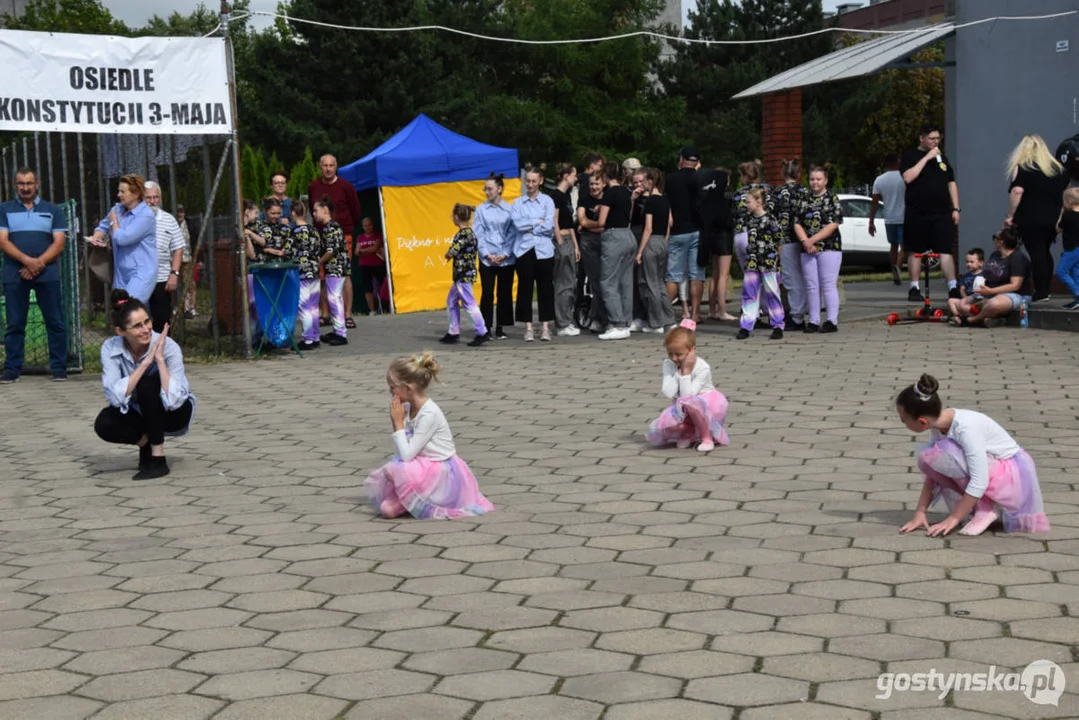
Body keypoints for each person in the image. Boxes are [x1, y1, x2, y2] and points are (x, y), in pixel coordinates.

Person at [897, 373, 1049, 536]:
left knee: (946, 452)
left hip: (1012, 478)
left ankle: (986, 509)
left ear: (922, 422)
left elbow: (980, 480)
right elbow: (932, 473)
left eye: (903, 420)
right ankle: (980, 506)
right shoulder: (938, 426)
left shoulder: (966, 429)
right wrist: (920, 513)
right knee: (930, 458)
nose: (903, 422)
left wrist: (954, 518)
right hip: (990, 471)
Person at [364, 351, 495, 519]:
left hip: (439, 471)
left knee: (392, 479)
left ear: (408, 388)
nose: (390, 392)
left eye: (392, 388)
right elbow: (406, 450)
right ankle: (410, 499)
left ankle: (424, 499)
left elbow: (406, 455)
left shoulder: (429, 413)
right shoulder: (410, 406)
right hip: (420, 465)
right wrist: (400, 422)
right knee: (388, 497)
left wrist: (397, 423)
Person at [94, 289, 195, 481]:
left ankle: (158, 458)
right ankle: (145, 443)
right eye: (137, 326)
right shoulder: (110, 348)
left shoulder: (169, 346)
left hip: (172, 413)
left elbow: (175, 400)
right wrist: (146, 363)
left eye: (147, 321)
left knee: (148, 384)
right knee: (104, 423)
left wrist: (159, 360)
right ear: (120, 331)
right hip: (138, 412)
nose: (146, 329)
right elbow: (115, 398)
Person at [0, 167, 68, 383]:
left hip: (47, 274)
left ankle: (59, 368)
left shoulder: (53, 210)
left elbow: (59, 243)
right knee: (15, 323)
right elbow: (2, 241)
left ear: (37, 184)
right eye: (21, 183)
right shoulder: (4, 209)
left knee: (55, 321)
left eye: (29, 183)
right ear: (14, 185)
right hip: (14, 273)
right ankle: (12, 369)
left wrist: (37, 264)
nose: (25, 188)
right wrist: (28, 262)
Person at [645, 321, 729, 452]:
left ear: (691, 350)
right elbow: (668, 392)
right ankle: (688, 430)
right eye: (670, 353)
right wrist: (678, 373)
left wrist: (686, 372)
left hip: (705, 403)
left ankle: (706, 437)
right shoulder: (669, 364)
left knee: (691, 405)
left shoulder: (703, 367)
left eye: (678, 354)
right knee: (666, 425)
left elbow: (688, 396)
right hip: (682, 405)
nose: (674, 358)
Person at [1004, 134, 1069, 302]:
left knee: (1036, 252)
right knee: (1045, 252)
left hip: (1029, 218)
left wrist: (1010, 216)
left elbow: (1017, 191)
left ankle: (1041, 291)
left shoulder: (1023, 167)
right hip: (1052, 218)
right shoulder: (1057, 169)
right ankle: (1046, 288)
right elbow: (1065, 194)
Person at [900, 124, 960, 301]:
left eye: (937, 139)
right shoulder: (910, 156)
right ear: (922, 138)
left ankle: (953, 286)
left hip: (941, 212)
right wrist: (926, 158)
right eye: (932, 138)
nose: (935, 142)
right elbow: (908, 177)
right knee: (915, 250)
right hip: (917, 212)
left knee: (945, 249)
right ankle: (914, 287)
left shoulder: (943, 159)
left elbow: (951, 183)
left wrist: (956, 208)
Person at [308, 155, 361, 329]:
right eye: (325, 166)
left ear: (336, 166)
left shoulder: (346, 186)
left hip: (343, 234)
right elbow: (312, 209)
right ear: (320, 167)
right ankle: (326, 313)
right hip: (320, 235)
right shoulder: (313, 186)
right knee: (321, 273)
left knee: (344, 275)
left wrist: (344, 227)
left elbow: (355, 211)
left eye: (331, 165)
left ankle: (347, 315)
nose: (328, 169)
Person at [92, 174, 157, 304]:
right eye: (118, 191)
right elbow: (102, 227)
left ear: (136, 194)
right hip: (120, 272)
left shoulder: (146, 215)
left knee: (129, 308)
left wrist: (114, 222)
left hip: (141, 272)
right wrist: (97, 237)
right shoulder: (117, 209)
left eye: (123, 192)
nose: (119, 195)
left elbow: (123, 238)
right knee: (120, 312)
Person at [589, 162, 635, 340]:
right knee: (625, 282)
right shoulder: (625, 191)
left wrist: (587, 224)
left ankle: (617, 323)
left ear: (606, 176)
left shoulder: (609, 193)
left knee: (607, 282)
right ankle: (625, 322)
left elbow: (601, 222)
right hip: (628, 235)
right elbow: (626, 215)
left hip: (614, 237)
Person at [795, 166, 844, 334]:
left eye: (818, 179)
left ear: (825, 180)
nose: (815, 182)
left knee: (828, 285)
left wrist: (812, 240)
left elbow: (833, 224)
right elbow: (797, 222)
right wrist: (804, 241)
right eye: (812, 179)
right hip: (807, 249)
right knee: (811, 285)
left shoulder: (832, 198)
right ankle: (814, 321)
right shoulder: (804, 199)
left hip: (829, 247)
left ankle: (831, 320)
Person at [951, 227, 1031, 327]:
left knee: (994, 304)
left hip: (1015, 295)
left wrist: (990, 291)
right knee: (961, 304)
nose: (993, 240)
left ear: (1001, 242)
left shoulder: (1017, 258)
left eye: (994, 237)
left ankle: (971, 320)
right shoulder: (995, 255)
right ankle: (990, 319)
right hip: (990, 292)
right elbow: (986, 274)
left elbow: (1015, 285)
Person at [512, 167, 557, 342]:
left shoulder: (547, 201)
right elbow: (518, 225)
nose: (530, 184)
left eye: (533, 181)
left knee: (545, 288)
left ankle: (545, 327)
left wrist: (531, 224)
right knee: (525, 288)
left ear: (540, 181)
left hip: (544, 251)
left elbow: (549, 226)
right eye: (528, 181)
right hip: (524, 250)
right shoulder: (517, 203)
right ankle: (528, 327)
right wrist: (538, 222)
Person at [737, 187, 785, 341]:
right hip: (752, 260)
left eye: (748, 201)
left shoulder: (771, 220)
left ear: (758, 202)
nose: (745, 204)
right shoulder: (749, 219)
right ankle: (746, 325)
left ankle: (777, 324)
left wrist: (775, 257)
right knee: (749, 293)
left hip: (769, 261)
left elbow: (779, 239)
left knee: (772, 292)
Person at [474, 173, 516, 340]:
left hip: (506, 258)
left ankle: (501, 327)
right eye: (485, 189)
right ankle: (487, 328)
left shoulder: (510, 209)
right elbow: (478, 233)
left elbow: (513, 233)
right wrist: (487, 254)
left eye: (490, 189)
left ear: (499, 189)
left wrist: (505, 253)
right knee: (487, 293)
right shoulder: (481, 209)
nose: (487, 192)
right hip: (487, 258)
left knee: (504, 293)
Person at [440, 203, 488, 347]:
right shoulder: (472, 233)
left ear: (456, 217)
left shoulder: (461, 235)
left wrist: (447, 255)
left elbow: (453, 250)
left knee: (469, 303)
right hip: (465, 274)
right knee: (451, 301)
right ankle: (453, 331)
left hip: (462, 275)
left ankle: (482, 331)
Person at [665, 147, 704, 323]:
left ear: (681, 159)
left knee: (673, 274)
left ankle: (665, 315)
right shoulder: (701, 179)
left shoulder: (671, 179)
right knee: (696, 275)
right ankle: (695, 315)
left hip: (677, 231)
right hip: (697, 230)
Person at [770, 159, 810, 330]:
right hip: (806, 240)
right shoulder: (805, 191)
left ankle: (797, 315)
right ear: (799, 174)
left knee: (791, 279)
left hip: (785, 240)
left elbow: (772, 218)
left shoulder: (778, 192)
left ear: (782, 174)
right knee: (806, 277)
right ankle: (807, 312)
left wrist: (776, 239)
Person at [635, 167, 675, 333]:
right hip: (662, 242)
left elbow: (648, 228)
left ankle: (656, 323)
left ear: (651, 182)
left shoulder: (651, 201)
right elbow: (668, 224)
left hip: (651, 242)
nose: (642, 184)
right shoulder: (665, 200)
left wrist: (640, 251)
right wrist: (664, 242)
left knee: (650, 284)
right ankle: (669, 320)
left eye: (644, 181)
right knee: (659, 283)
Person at [143, 182, 185, 333]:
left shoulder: (169, 220)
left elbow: (178, 249)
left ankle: (162, 352)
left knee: (161, 320)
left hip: (162, 278)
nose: (152, 201)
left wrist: (174, 274)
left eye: (156, 197)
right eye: (148, 198)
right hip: (139, 278)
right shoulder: (134, 219)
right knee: (139, 321)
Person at [699, 166, 735, 322]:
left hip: (711, 234)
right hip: (724, 235)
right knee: (723, 274)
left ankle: (712, 309)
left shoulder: (708, 195)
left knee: (714, 273)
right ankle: (722, 310)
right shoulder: (727, 195)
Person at [549, 164, 581, 336]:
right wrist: (560, 241)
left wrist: (575, 246)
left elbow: (570, 225)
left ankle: (566, 320)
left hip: (569, 239)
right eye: (574, 175)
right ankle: (562, 323)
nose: (576, 178)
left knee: (570, 283)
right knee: (563, 283)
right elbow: (554, 221)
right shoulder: (556, 196)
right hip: (561, 241)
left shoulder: (566, 196)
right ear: (566, 176)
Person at [314, 198, 348, 347]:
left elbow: (331, 250)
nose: (314, 214)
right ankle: (337, 329)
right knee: (333, 298)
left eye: (316, 210)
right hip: (333, 268)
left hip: (336, 268)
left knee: (334, 298)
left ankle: (341, 333)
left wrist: (319, 261)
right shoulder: (328, 227)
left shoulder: (331, 227)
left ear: (325, 210)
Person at [577, 171, 608, 333]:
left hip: (605, 241)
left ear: (603, 184)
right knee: (595, 282)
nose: (594, 187)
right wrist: (598, 225)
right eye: (591, 184)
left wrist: (590, 225)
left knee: (606, 281)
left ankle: (604, 317)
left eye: (597, 183)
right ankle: (597, 318)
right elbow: (581, 219)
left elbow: (607, 224)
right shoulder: (584, 199)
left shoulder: (608, 198)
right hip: (589, 243)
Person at [869, 154, 907, 285]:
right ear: (897, 161)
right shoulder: (904, 176)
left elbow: (874, 202)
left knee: (893, 245)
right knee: (905, 246)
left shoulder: (879, 180)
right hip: (904, 216)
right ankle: (898, 266)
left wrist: (871, 221)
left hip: (889, 217)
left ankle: (893, 270)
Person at [290, 200, 322, 350]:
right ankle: (315, 336)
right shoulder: (314, 230)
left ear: (293, 213)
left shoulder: (294, 232)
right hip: (315, 270)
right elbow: (318, 249)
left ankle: (308, 339)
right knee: (314, 306)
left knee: (304, 307)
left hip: (301, 272)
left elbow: (288, 251)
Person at [355, 217, 387, 314]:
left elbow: (375, 248)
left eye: (369, 225)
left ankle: (386, 307)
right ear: (363, 227)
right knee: (367, 288)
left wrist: (363, 251)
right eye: (365, 226)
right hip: (364, 265)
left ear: (373, 225)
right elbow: (356, 252)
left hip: (378, 264)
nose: (368, 227)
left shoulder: (379, 236)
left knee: (383, 286)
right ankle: (372, 310)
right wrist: (370, 250)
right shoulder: (360, 237)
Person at [1055, 186, 1079, 309]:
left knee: (1061, 272)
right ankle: (1077, 300)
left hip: (1072, 249)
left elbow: (1058, 228)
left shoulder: (1068, 215)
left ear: (1069, 201)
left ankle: (1077, 293)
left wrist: (1062, 213)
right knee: (1076, 272)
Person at [947, 247, 985, 321]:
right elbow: (962, 290)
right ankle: (958, 316)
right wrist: (965, 299)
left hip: (979, 301)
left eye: (971, 262)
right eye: (967, 262)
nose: (968, 264)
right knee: (950, 301)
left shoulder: (985, 275)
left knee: (982, 306)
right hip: (967, 301)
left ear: (980, 263)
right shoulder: (965, 276)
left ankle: (976, 317)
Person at [176, 204, 197, 318]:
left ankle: (190, 307)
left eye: (182, 212)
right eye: (178, 212)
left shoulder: (190, 225)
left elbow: (195, 239)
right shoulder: (172, 224)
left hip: (187, 257)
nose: (180, 214)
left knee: (188, 283)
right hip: (173, 258)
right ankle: (179, 307)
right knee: (175, 284)